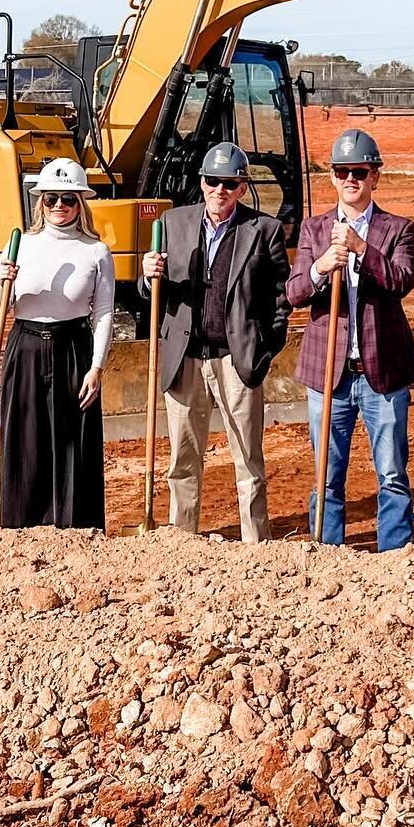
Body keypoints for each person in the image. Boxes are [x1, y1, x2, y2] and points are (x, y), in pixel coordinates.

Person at [140, 142, 291, 539]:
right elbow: (151, 293)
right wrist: (146, 275)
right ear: (201, 183)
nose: (219, 190)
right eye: (212, 181)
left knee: (248, 462)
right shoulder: (172, 224)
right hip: (185, 357)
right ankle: (182, 541)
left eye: (229, 183)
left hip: (235, 360)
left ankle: (256, 546)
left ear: (242, 187)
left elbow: (280, 295)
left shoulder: (264, 230)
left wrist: (264, 347)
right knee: (183, 460)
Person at [287, 128, 414, 550]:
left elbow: (401, 281)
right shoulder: (314, 229)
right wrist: (321, 267)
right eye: (342, 171)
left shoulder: (397, 228)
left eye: (359, 171)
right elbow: (293, 293)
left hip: (382, 374)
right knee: (327, 471)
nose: (351, 179)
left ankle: (395, 556)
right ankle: (326, 553)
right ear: (332, 176)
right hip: (329, 375)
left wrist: (362, 248)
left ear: (375, 176)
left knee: (392, 473)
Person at [0, 158, 112, 530]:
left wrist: (96, 367)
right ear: (40, 202)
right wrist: (0, 280)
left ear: (81, 203)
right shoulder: (21, 246)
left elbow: (103, 314)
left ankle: (76, 525)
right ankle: (21, 524)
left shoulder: (96, 251)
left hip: (73, 348)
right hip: (25, 347)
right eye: (51, 198)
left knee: (73, 440)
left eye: (68, 199)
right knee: (25, 436)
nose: (59, 206)